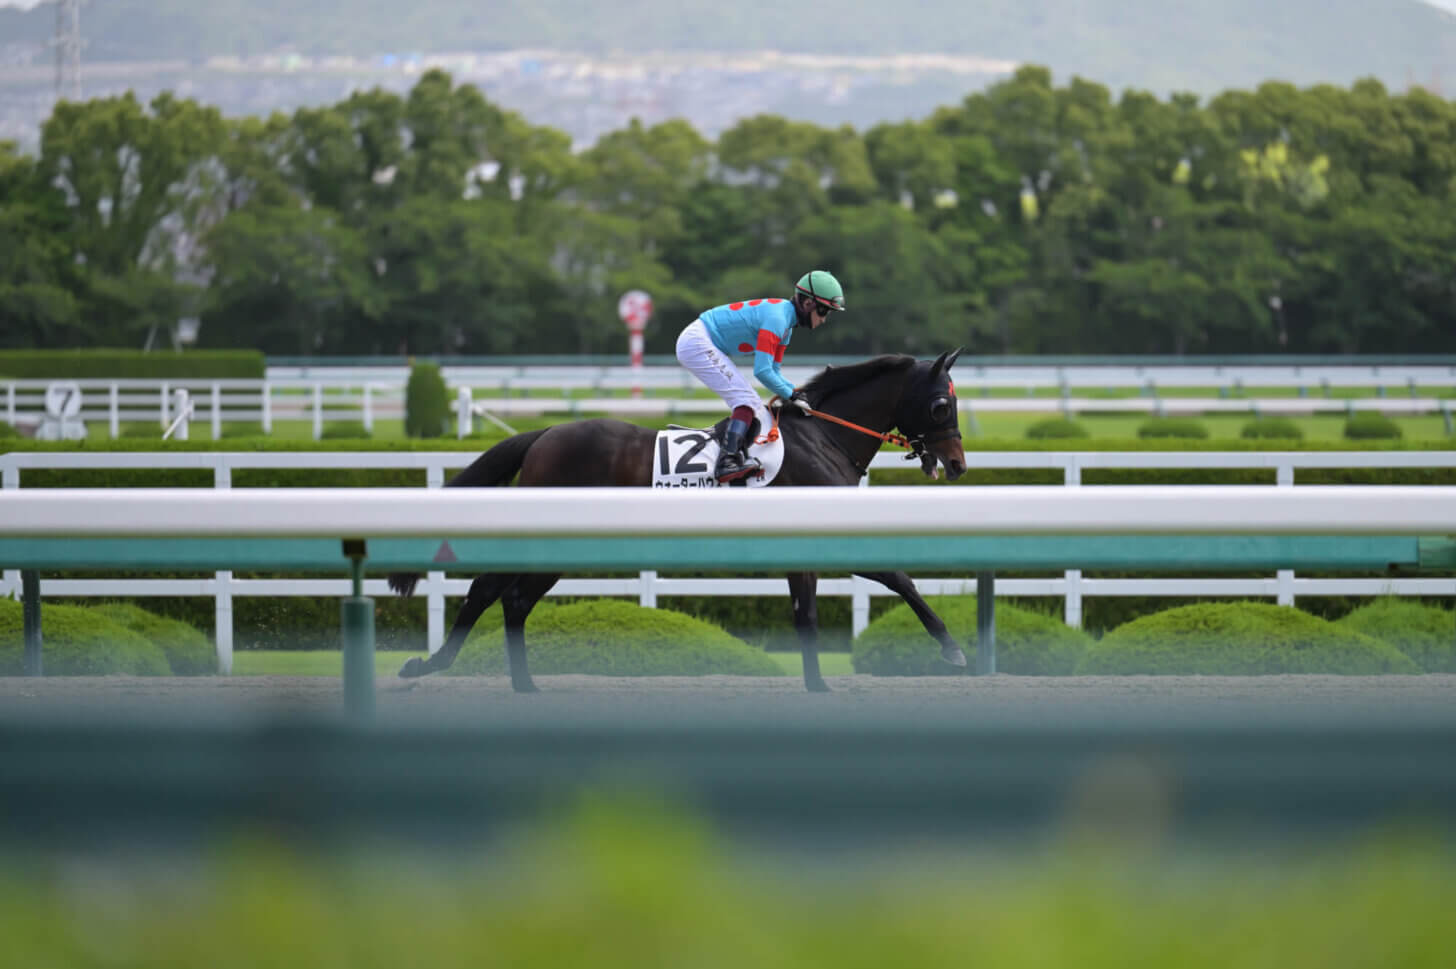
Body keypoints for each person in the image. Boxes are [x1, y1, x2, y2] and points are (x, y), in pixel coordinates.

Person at [675, 270, 846, 483]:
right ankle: (727, 461)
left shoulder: (786, 327)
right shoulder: (777, 319)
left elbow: (774, 372)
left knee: (751, 402)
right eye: (824, 311)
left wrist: (796, 393)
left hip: (701, 341)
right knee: (746, 400)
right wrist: (792, 396)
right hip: (696, 342)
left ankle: (734, 455)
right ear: (809, 303)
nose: (823, 319)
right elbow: (762, 372)